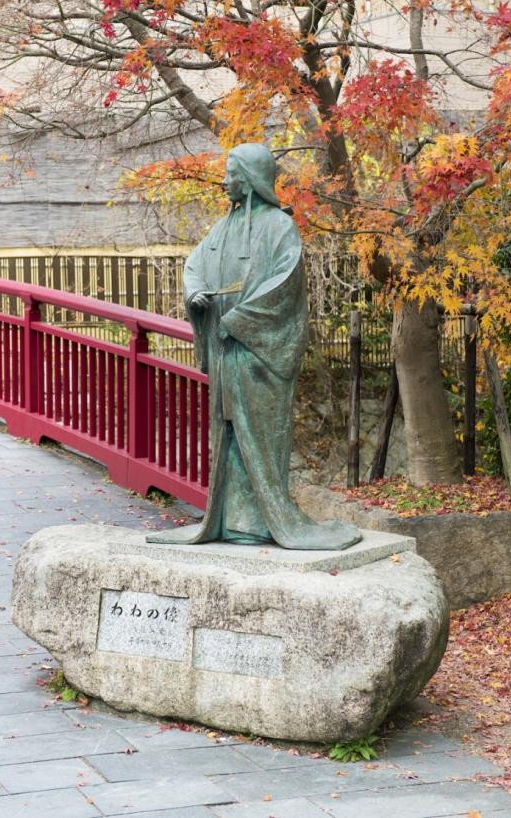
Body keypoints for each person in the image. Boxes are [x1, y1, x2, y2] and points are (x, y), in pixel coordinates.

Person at [147, 143, 361, 550]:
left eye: (231, 174)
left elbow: (284, 287)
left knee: (258, 436)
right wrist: (197, 297)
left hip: (258, 354)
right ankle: (228, 520)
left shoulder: (280, 228)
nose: (224, 181)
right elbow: (194, 266)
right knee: (225, 434)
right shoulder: (221, 229)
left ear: (249, 181)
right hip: (226, 350)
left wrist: (238, 320)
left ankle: (262, 523)